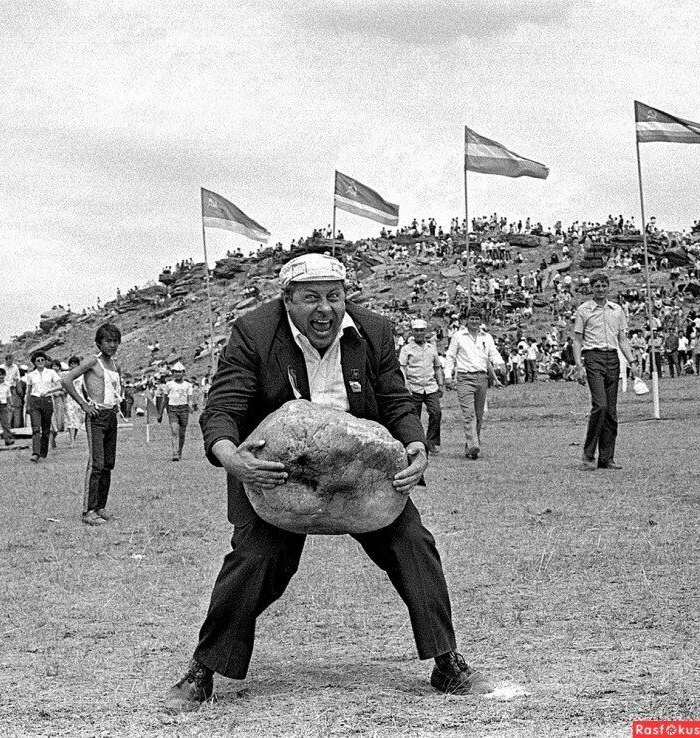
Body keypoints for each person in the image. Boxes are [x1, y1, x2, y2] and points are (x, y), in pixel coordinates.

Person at [166, 253, 492, 712]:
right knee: (257, 560)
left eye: (334, 297)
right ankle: (203, 670)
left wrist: (414, 445)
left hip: (361, 472)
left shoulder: (373, 331)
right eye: (311, 298)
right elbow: (223, 408)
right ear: (287, 300)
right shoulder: (254, 333)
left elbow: (397, 401)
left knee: (414, 544)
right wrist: (232, 459)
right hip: (279, 475)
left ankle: (447, 662)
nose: (325, 309)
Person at [572, 272, 640, 471]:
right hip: (593, 357)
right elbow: (577, 340)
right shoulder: (584, 310)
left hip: (613, 358)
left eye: (603, 286)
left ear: (608, 287)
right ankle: (588, 454)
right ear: (591, 288)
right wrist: (579, 366)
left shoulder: (617, 310)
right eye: (596, 286)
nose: (600, 289)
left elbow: (622, 339)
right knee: (600, 405)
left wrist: (632, 361)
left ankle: (607, 458)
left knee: (611, 411)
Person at [61, 323, 123, 526]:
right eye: (108, 341)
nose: (112, 345)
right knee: (96, 463)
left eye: (115, 341)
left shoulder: (115, 365)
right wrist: (83, 404)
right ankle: (88, 510)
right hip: (96, 416)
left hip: (110, 415)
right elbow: (67, 380)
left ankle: (100, 506)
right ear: (99, 343)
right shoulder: (92, 362)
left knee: (108, 463)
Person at [443, 308, 505, 459]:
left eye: (477, 318)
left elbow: (493, 353)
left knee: (479, 414)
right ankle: (473, 445)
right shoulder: (458, 336)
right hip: (465, 378)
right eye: (472, 318)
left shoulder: (487, 337)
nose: (474, 321)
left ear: (481, 320)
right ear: (467, 320)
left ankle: (469, 444)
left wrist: (500, 363)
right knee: (469, 414)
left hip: (482, 378)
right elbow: (450, 356)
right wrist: (447, 376)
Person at [398, 318, 445, 454]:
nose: (419, 333)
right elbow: (402, 367)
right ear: (412, 332)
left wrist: (441, 383)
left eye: (421, 330)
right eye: (416, 330)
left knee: (436, 412)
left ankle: (432, 441)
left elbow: (437, 367)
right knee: (414, 417)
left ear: (426, 332)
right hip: (414, 386)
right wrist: (405, 385)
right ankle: (416, 442)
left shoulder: (431, 348)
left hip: (430, 386)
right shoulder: (406, 349)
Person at [25, 351, 62, 462]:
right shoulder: (31, 375)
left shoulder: (51, 373)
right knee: (36, 428)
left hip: (47, 400)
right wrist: (27, 405)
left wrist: (49, 390)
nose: (41, 362)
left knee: (46, 429)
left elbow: (60, 385)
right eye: (38, 361)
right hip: (34, 400)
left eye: (42, 360)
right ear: (34, 363)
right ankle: (35, 453)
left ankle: (43, 451)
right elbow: (29, 391)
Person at [164, 362, 194, 461]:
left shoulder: (188, 385)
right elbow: (165, 398)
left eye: (179, 372)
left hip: (184, 409)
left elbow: (189, 397)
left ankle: (180, 451)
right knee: (174, 431)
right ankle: (175, 453)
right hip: (173, 409)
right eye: (175, 372)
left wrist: (190, 405)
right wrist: (163, 410)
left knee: (182, 433)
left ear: (183, 373)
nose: (177, 374)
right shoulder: (169, 384)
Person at [63, 356, 85, 445]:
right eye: (71, 364)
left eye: (75, 364)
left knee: (78, 418)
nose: (73, 365)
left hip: (80, 397)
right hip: (69, 398)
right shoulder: (66, 375)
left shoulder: (82, 375)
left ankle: (74, 437)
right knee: (70, 418)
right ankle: (72, 440)